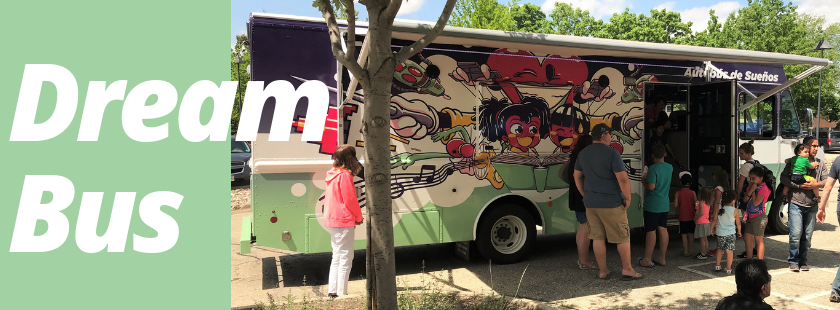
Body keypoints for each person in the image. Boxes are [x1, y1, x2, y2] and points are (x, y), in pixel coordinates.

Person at [573, 123, 642, 281]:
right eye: (610, 134)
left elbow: (577, 177)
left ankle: (603, 271)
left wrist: (585, 193)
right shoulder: (612, 153)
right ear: (603, 135)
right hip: (611, 202)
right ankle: (628, 269)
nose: (612, 137)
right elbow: (623, 179)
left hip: (591, 203)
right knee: (622, 237)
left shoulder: (582, 153)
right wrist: (628, 197)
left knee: (597, 238)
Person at [323, 145, 365, 298]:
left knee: (337, 256)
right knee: (346, 257)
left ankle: (332, 290)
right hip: (343, 220)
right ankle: (341, 293)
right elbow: (350, 200)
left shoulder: (331, 173)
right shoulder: (345, 175)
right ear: (350, 158)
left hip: (331, 220)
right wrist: (358, 217)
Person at [780, 136, 826, 271]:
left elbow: (826, 180)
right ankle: (793, 260)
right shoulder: (794, 162)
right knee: (795, 234)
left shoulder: (820, 163)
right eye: (814, 146)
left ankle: (803, 261)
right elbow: (784, 178)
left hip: (812, 205)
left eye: (817, 146)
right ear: (805, 146)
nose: (816, 149)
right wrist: (799, 186)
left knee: (807, 236)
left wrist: (816, 184)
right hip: (795, 202)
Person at [565, 134, 597, 270]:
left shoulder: (574, 158)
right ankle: (584, 261)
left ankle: (581, 258)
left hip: (576, 197)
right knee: (586, 228)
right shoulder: (585, 160)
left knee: (582, 227)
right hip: (583, 197)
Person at [638, 143, 672, 268]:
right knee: (663, 229)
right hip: (664, 203)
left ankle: (647, 259)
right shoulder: (669, 167)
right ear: (665, 154)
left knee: (651, 231)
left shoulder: (653, 169)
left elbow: (651, 187)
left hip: (652, 204)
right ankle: (662, 258)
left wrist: (643, 181)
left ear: (652, 155)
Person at [816, 155, 840, 303]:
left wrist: (821, 208)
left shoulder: (838, 160)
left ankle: (836, 289)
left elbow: (828, 187)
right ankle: (836, 288)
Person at [742, 166, 771, 260]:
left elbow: (755, 203)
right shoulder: (751, 186)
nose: (751, 180)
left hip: (759, 217)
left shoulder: (764, 188)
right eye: (750, 178)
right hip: (750, 216)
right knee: (747, 238)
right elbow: (745, 199)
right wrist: (751, 190)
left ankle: (760, 262)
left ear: (761, 178)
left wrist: (753, 191)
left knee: (758, 240)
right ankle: (749, 260)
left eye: (753, 178)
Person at [736, 140, 758, 259]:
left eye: (742, 153)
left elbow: (740, 184)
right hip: (756, 197)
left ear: (748, 154)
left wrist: (738, 195)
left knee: (747, 223)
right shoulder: (756, 163)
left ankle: (748, 250)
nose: (740, 155)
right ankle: (755, 248)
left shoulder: (745, 166)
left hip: (747, 197)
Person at [711, 190, 741, 274]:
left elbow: (714, 220)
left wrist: (711, 229)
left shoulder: (719, 208)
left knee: (720, 249)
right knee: (729, 251)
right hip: (730, 233)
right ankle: (728, 268)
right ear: (733, 200)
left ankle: (717, 265)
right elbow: (738, 223)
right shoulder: (735, 210)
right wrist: (739, 231)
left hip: (720, 232)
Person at [708, 168, 732, 257]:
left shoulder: (718, 189)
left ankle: (719, 249)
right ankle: (720, 248)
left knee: (718, 231)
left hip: (718, 212)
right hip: (724, 211)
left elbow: (717, 202)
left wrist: (714, 213)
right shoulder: (725, 187)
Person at [675, 172, 697, 257]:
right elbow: (696, 204)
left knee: (684, 234)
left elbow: (676, 205)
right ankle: (691, 250)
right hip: (692, 216)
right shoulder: (693, 193)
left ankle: (685, 250)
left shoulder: (678, 193)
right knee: (691, 234)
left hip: (682, 217)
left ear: (681, 182)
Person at [694, 186, 713, 259]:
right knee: (705, 239)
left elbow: (701, 213)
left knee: (702, 239)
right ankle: (705, 251)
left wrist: (695, 218)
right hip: (706, 222)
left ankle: (702, 253)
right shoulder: (708, 203)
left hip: (701, 222)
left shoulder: (701, 203)